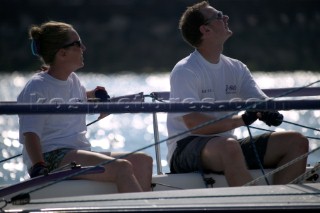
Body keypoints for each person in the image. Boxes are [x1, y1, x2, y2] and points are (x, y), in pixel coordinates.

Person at [166, 1, 309, 186]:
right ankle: (257, 204)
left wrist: (268, 110)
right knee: (229, 147)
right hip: (185, 149)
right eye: (218, 16)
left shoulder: (237, 68)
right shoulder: (185, 70)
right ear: (205, 30)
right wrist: (242, 120)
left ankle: (279, 202)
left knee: (297, 142)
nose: (225, 18)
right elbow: (194, 124)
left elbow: (260, 100)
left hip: (225, 144)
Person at [17, 21, 153, 193]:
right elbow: (30, 133)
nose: (84, 48)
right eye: (77, 44)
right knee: (122, 167)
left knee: (143, 161)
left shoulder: (73, 79)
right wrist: (38, 167)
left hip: (76, 152)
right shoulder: (37, 87)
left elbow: (76, 96)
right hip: (51, 158)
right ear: (62, 53)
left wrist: (96, 94)